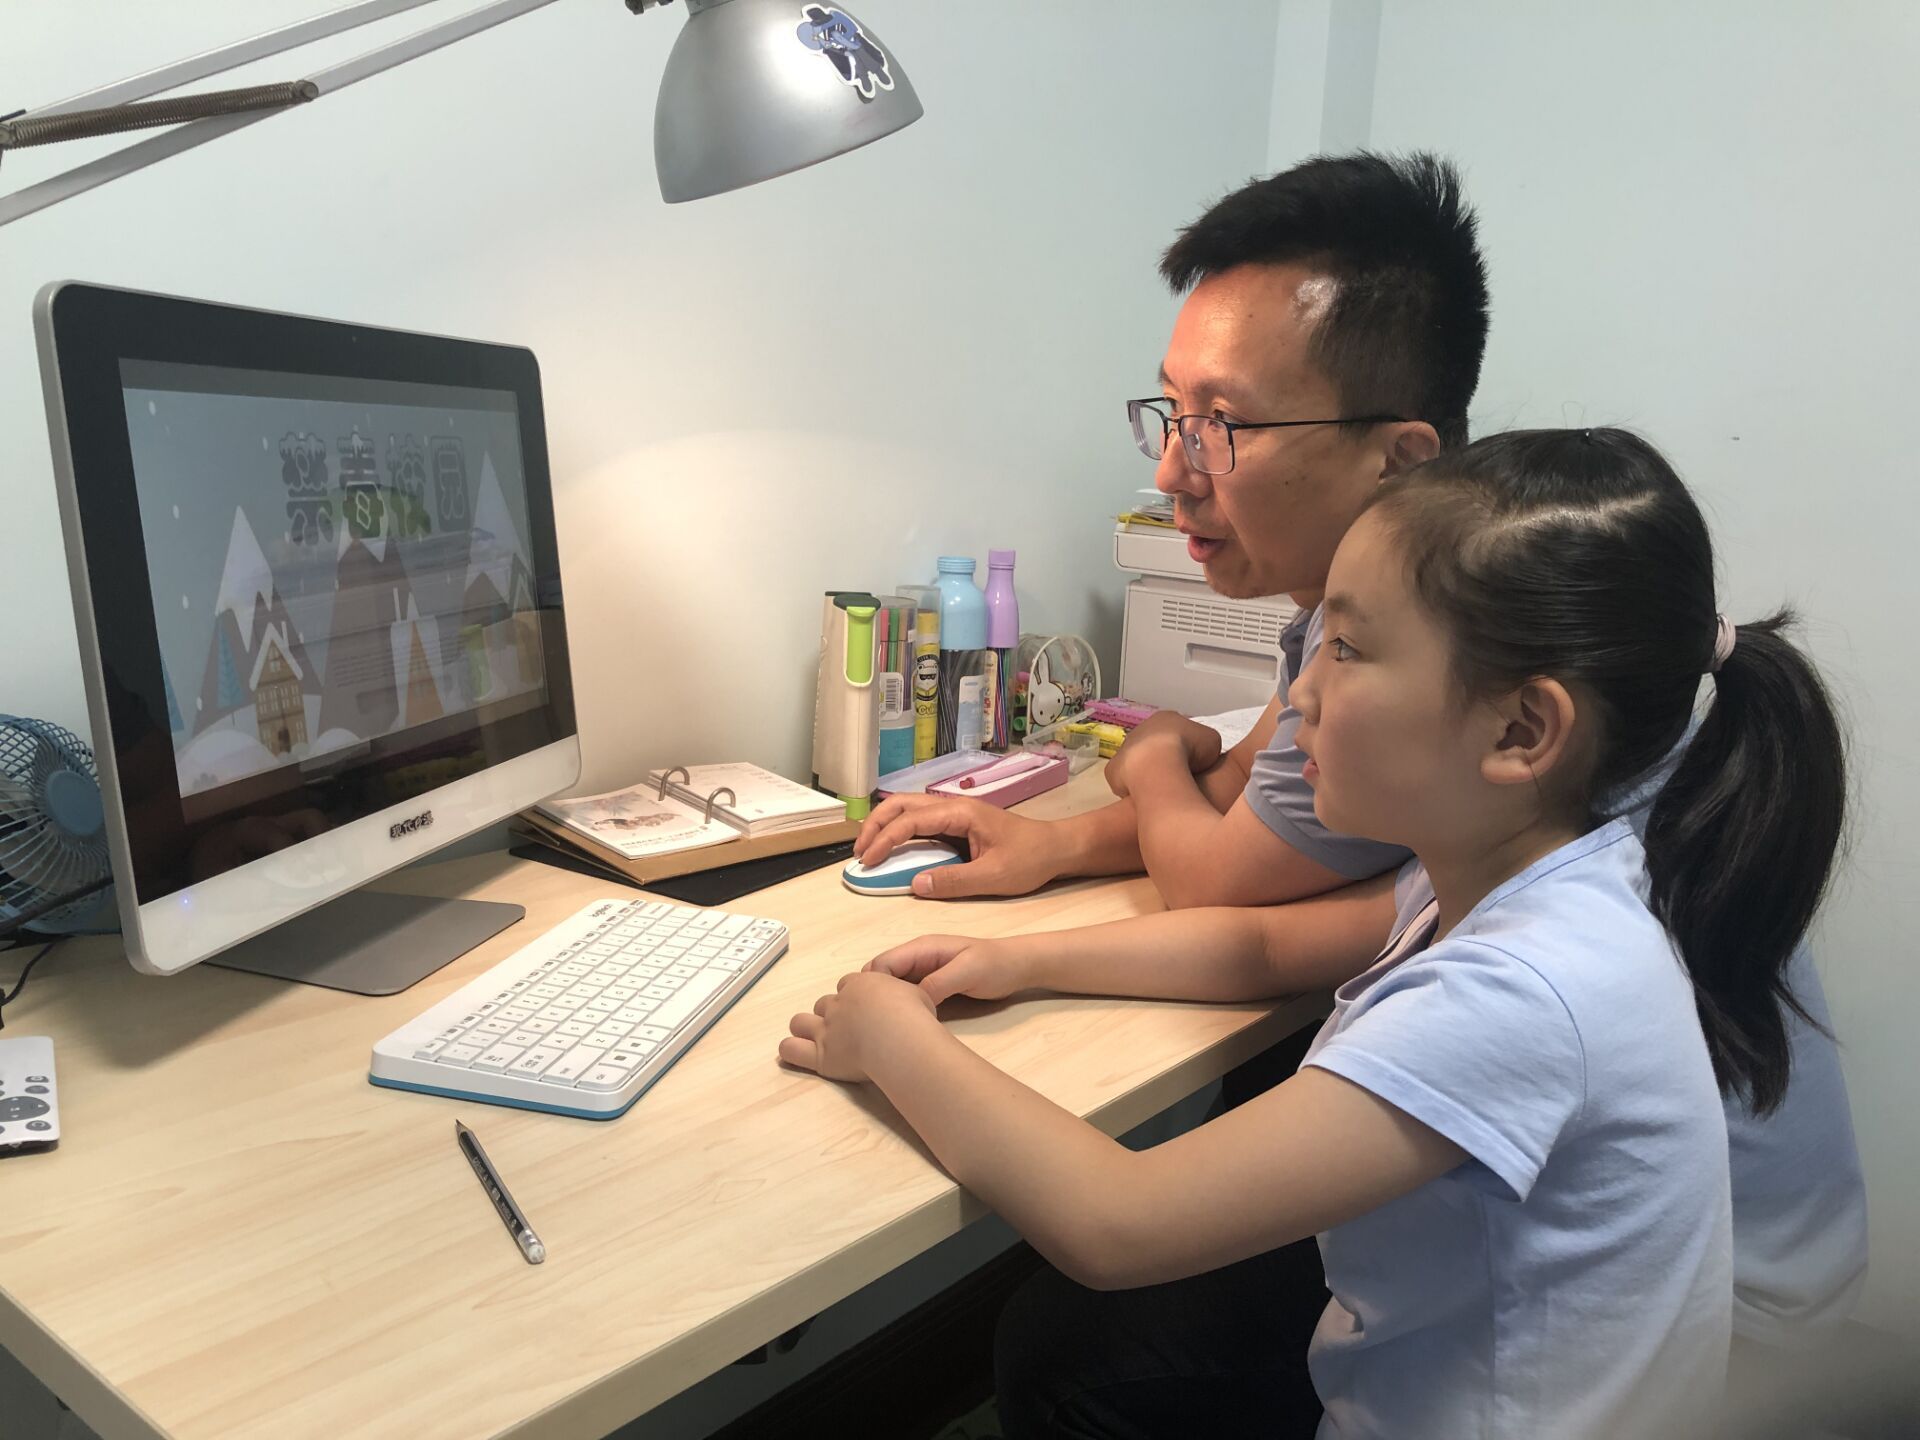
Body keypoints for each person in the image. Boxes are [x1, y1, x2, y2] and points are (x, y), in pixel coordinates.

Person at [781, 429, 1851, 1438]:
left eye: (1347, 648)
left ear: (1523, 729)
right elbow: (1255, 948)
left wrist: (892, 1038)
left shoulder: (1526, 988)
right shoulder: (1538, 875)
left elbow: (1118, 1223)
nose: (1302, 692)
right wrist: (1019, 961)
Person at [854, 151, 1486, 909]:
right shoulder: (1332, 615)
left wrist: (1153, 753)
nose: (1170, 473)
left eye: (1222, 422)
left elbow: (1218, 877)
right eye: (1175, 412)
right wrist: (1051, 844)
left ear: (1399, 460)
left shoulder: (1433, 654)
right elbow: (1244, 786)